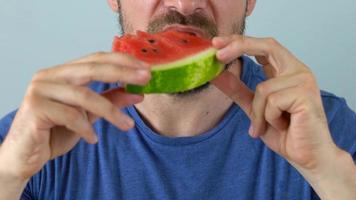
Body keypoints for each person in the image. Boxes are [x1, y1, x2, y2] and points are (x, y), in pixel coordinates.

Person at [0, 0, 355, 199]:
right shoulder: (34, 138)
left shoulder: (326, 131)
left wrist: (331, 178)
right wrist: (9, 177)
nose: (185, 5)